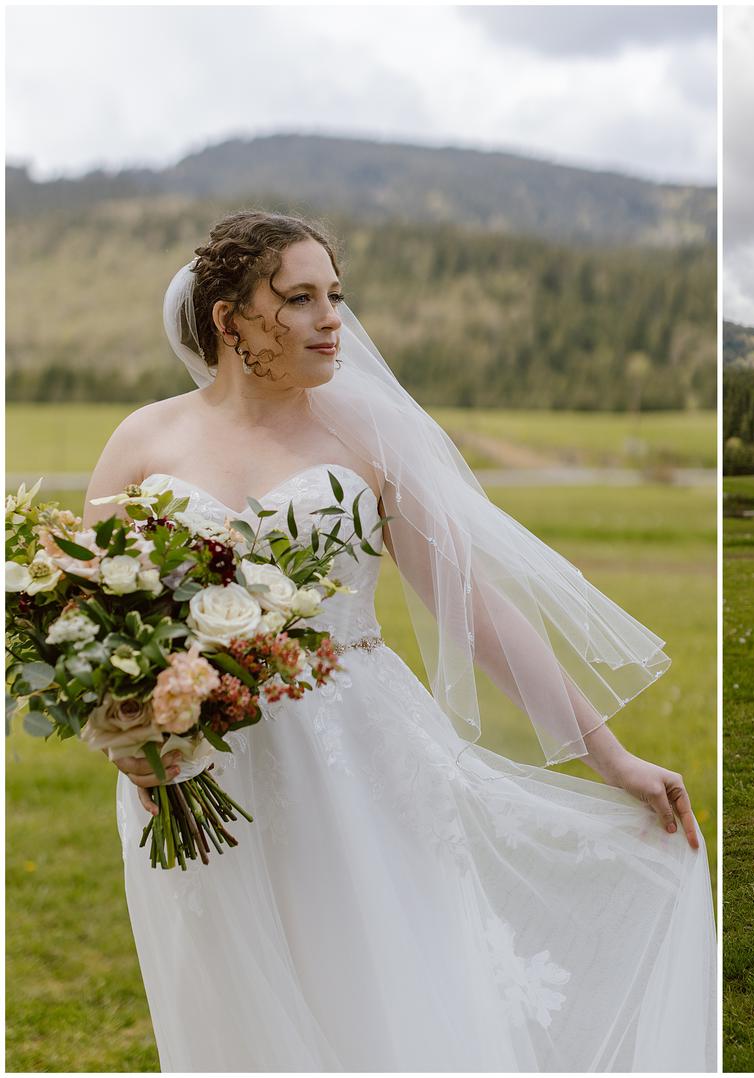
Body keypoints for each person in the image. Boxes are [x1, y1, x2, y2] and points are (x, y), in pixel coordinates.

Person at [83, 211, 715, 1071]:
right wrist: (134, 742)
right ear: (228, 319)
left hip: (359, 762)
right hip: (196, 774)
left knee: (384, 992)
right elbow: (95, 628)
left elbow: (473, 607)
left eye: (335, 296)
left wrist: (612, 757)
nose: (331, 318)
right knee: (229, 1002)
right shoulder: (142, 440)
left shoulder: (365, 437)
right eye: (298, 298)